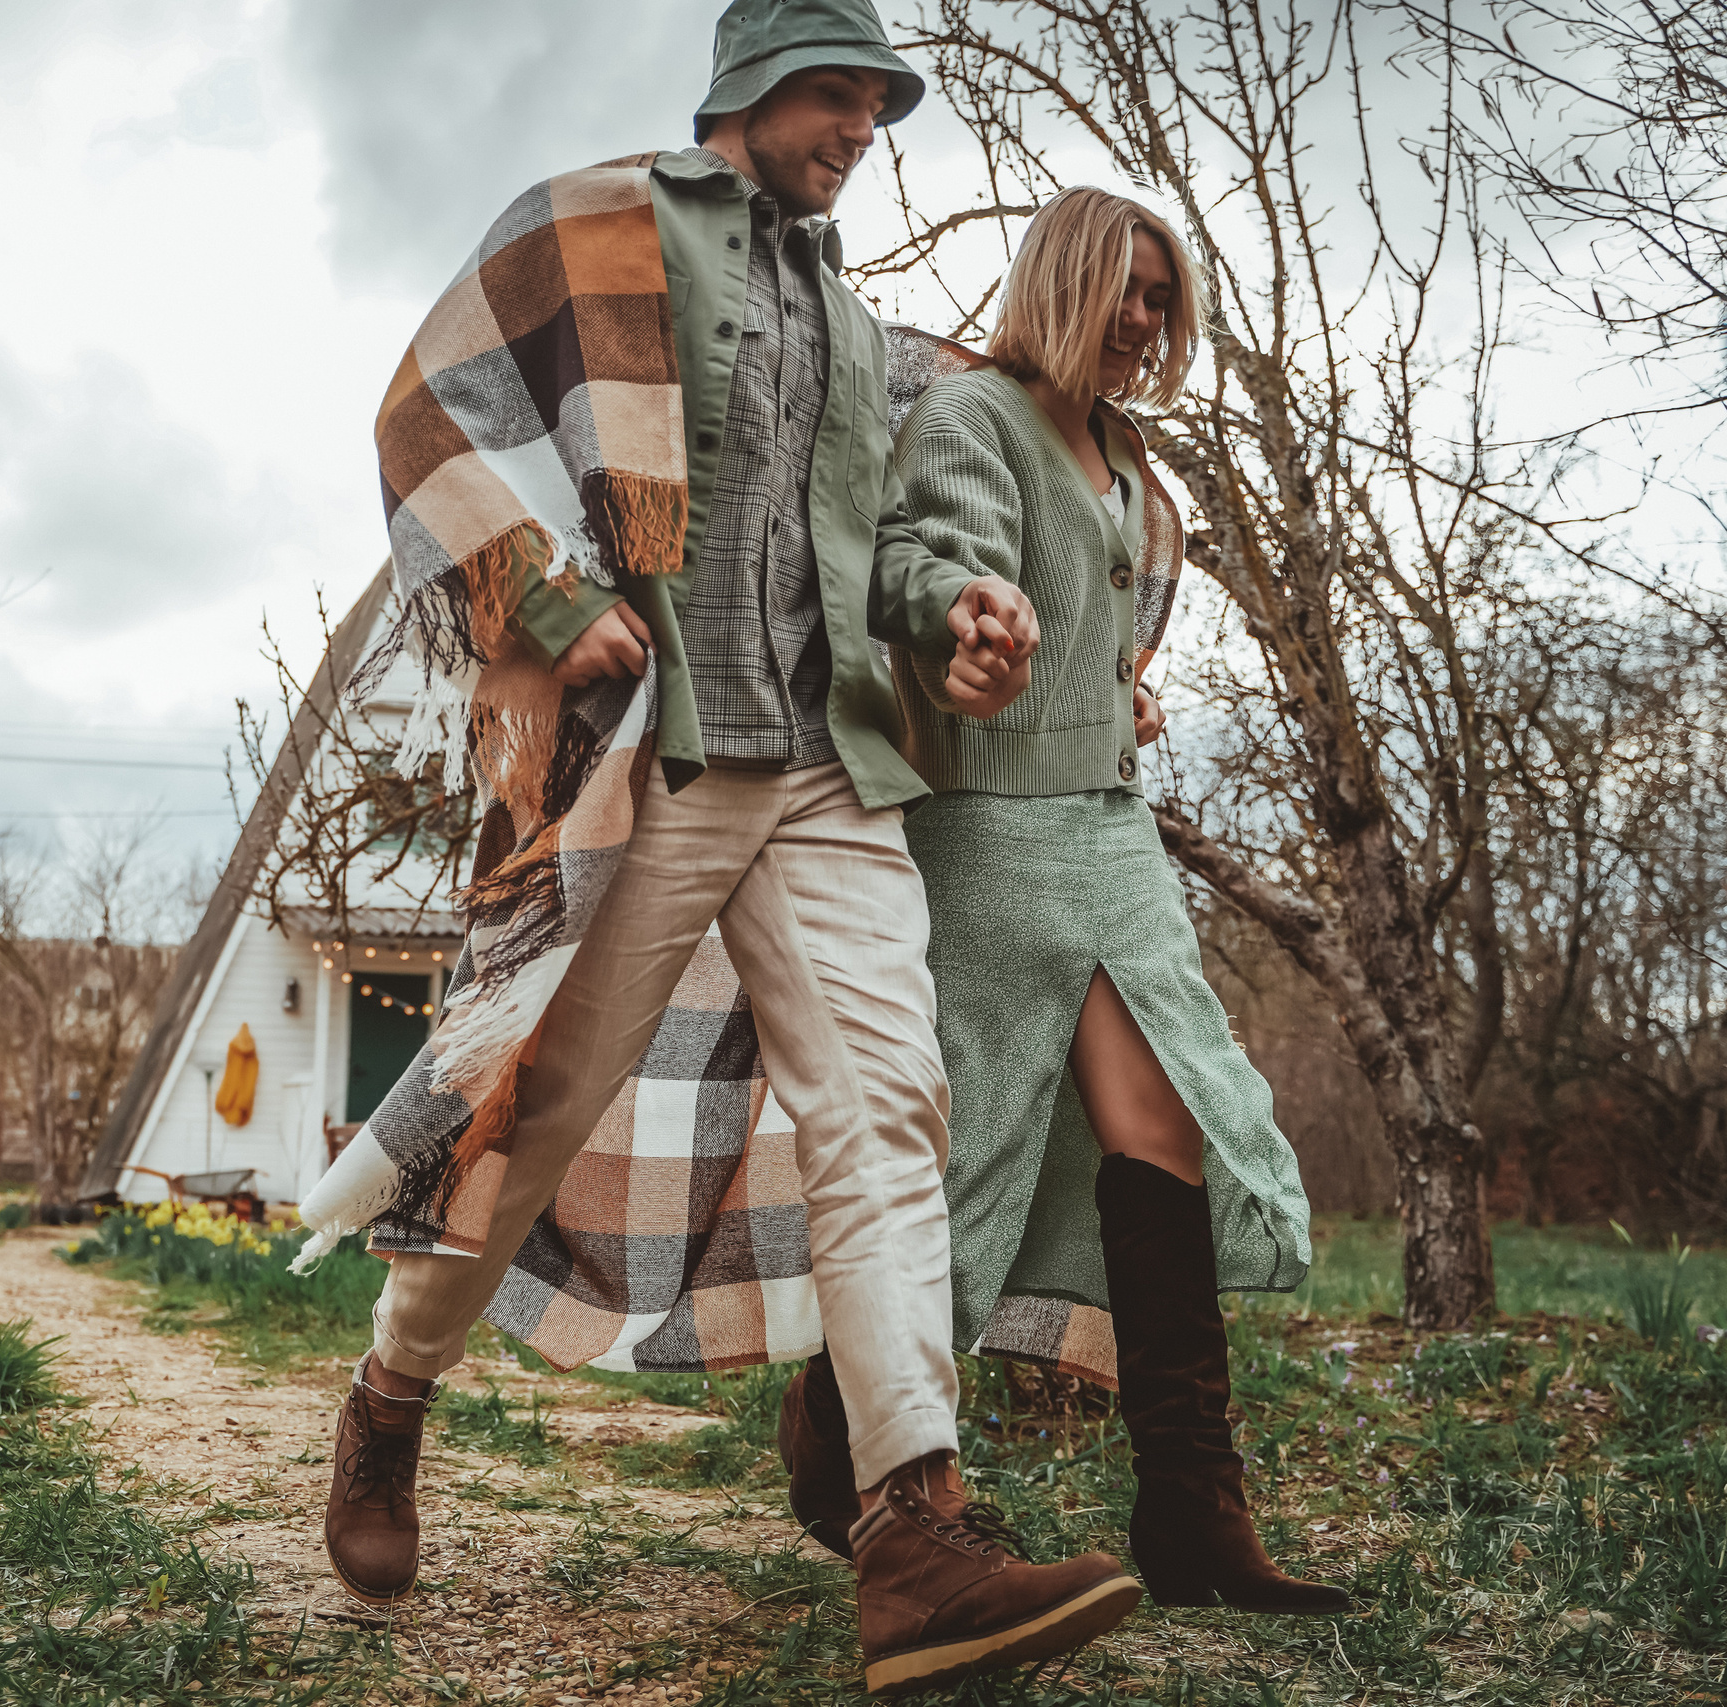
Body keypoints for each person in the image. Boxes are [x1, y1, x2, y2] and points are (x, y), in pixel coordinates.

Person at [320, 5, 1146, 1693]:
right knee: (538, 1107)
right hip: (668, 765)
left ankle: (914, 1524)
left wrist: (964, 611)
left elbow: (887, 553)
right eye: (840, 94)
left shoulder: (856, 326)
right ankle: (389, 1396)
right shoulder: (594, 221)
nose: (865, 126)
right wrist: (552, 599)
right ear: (756, 87)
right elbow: (426, 408)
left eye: (880, 104)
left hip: (833, 769)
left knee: (888, 1104)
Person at [795, 184, 1350, 1614]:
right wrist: (971, 623)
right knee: (965, 1160)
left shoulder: (1120, 454)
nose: (1145, 321)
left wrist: (1115, 696)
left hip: (1108, 837)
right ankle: (842, 1427)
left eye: (1164, 299)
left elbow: (1086, 622)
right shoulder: (977, 420)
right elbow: (931, 562)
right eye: (1124, 290)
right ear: (1061, 283)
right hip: (988, 839)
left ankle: (1192, 1513)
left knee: (1169, 1124)